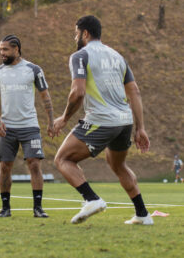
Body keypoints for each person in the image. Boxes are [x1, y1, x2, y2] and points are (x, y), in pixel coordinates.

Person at [53, 15, 152, 225]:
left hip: (101, 120)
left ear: (85, 33)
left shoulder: (80, 56)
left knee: (63, 159)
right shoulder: (117, 56)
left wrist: (64, 118)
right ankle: (143, 214)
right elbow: (134, 91)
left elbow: (77, 93)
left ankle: (92, 199)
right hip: (124, 122)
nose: (75, 37)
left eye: (76, 33)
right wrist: (140, 128)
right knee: (118, 165)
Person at [0, 34, 55, 218]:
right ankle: (5, 208)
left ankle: (38, 208)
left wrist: (50, 122)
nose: (2, 53)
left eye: (5, 49)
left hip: (30, 127)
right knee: (5, 167)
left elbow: (45, 97)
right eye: (0, 49)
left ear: (16, 49)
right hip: (6, 128)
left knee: (34, 165)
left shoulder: (33, 70)